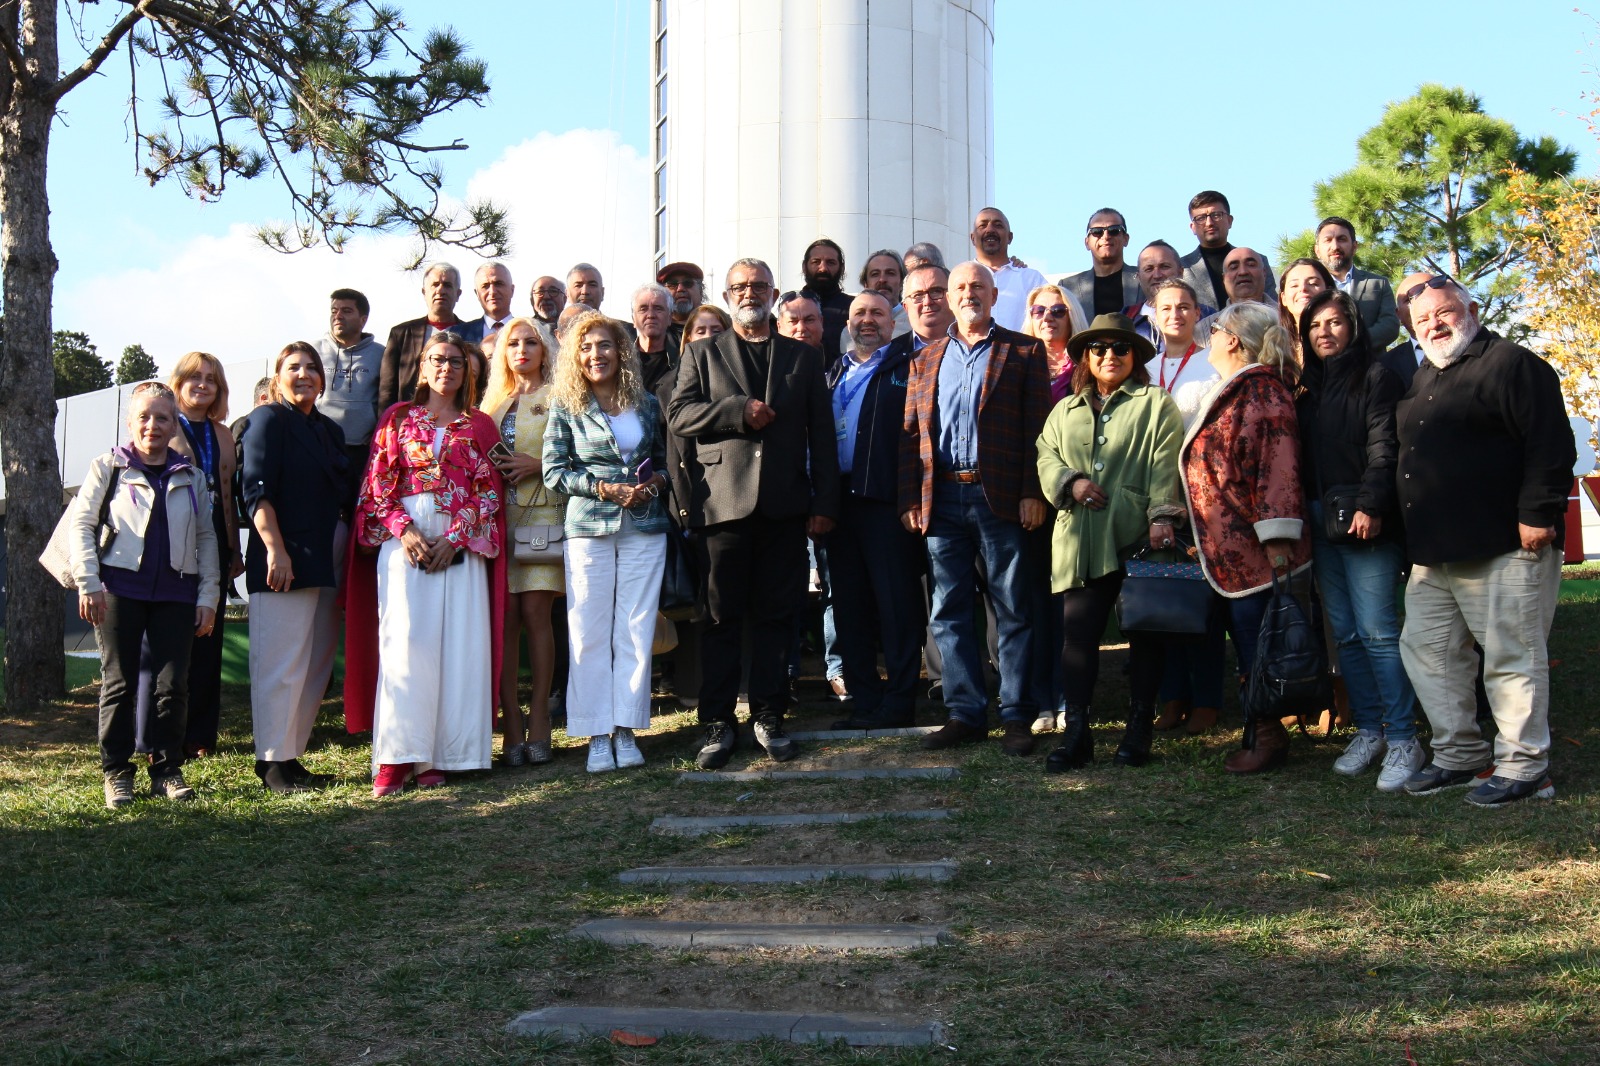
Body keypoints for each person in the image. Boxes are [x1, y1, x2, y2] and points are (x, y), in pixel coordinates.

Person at [1395, 277, 1574, 806]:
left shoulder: (1511, 364)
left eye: (1444, 312)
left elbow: (1550, 442)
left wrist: (1538, 513)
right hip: (1434, 551)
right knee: (1428, 652)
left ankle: (1525, 766)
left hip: (1505, 542)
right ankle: (1460, 755)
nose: (1434, 324)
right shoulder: (1426, 373)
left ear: (1470, 309)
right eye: (1423, 319)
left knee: (1511, 656)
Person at [668, 258, 839, 770]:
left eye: (758, 285)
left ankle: (769, 714)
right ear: (726, 292)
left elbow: (823, 438)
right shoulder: (702, 353)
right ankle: (718, 721)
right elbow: (678, 416)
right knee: (719, 617)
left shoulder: (802, 357)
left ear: (774, 292)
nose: (749, 293)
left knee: (776, 616)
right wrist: (735, 411)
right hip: (722, 505)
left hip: (785, 505)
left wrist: (824, 503)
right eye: (740, 286)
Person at [900, 261, 1051, 755]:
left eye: (977, 287)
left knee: (1012, 607)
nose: (968, 294)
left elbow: (1038, 429)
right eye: (960, 287)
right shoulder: (925, 359)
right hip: (941, 498)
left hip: (1001, 496)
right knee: (948, 610)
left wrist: (1033, 491)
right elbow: (911, 435)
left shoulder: (1024, 351)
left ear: (993, 293)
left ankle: (1016, 715)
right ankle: (964, 712)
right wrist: (910, 499)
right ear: (948, 296)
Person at [356, 331, 504, 797]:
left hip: (461, 541)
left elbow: (489, 492)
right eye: (437, 360)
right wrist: (406, 530)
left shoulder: (479, 426)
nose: (446, 368)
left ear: (468, 371)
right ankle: (397, 757)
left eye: (456, 362)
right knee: (405, 643)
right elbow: (379, 483)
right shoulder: (397, 419)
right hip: (407, 540)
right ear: (422, 368)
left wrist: (456, 537)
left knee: (456, 647)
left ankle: (439, 757)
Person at [1036, 314, 1186, 771]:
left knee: (1145, 633)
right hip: (1080, 536)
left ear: (1134, 357)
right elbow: (1045, 452)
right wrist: (1070, 482)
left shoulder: (1155, 402)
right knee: (1078, 636)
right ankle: (1078, 736)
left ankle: (1138, 733)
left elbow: (1165, 458)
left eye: (1120, 348)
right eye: (1098, 348)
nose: (1109, 356)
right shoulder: (1065, 408)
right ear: (1085, 357)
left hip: (1138, 533)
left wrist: (1162, 514)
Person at [1294, 289, 1419, 791]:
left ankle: (1406, 737)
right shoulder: (1306, 388)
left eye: (1334, 323)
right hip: (1320, 520)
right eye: (1315, 326)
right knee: (1344, 634)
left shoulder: (1376, 375)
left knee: (1379, 632)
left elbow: (1384, 446)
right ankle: (1370, 730)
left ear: (1353, 327)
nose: (1325, 333)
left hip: (1365, 516)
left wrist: (1371, 504)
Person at [73, 381, 219, 808]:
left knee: (172, 685)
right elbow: (82, 525)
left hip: (176, 594)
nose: (153, 425)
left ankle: (166, 769)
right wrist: (89, 583)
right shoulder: (108, 467)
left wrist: (207, 596)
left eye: (162, 418)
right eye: (144, 417)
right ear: (130, 422)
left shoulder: (191, 476)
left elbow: (207, 539)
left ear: (175, 425)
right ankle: (117, 772)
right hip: (117, 590)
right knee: (119, 683)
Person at [1181, 302, 1312, 774]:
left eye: (1214, 331)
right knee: (1250, 641)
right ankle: (1259, 730)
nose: (1208, 339)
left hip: (1257, 552)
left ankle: (1267, 737)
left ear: (1232, 339)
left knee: (1261, 645)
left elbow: (1277, 468)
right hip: (1233, 551)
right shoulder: (1240, 390)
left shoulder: (1260, 392)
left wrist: (1278, 539)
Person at [543, 311, 671, 773]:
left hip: (645, 526)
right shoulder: (566, 405)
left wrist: (652, 484)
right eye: (586, 347)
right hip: (589, 529)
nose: (596, 354)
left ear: (621, 352)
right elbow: (554, 472)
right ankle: (597, 732)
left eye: (604, 345)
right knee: (589, 631)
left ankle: (625, 728)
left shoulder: (647, 402)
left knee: (635, 629)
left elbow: (663, 462)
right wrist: (601, 488)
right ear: (575, 356)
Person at [241, 342, 349, 793]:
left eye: (311, 368)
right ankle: (270, 763)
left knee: (313, 665)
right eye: (293, 367)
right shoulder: (267, 419)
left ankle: (292, 755)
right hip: (283, 558)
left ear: (322, 380)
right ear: (277, 376)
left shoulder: (329, 430)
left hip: (327, 555)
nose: (303, 374)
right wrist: (275, 549)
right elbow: (255, 491)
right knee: (279, 664)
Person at [818, 290, 925, 730]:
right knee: (849, 607)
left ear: (892, 321)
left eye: (877, 313)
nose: (867, 320)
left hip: (886, 501)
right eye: (859, 313)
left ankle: (900, 701)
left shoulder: (907, 366)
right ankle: (863, 701)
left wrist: (910, 498)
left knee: (896, 605)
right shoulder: (833, 373)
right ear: (847, 323)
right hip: (838, 503)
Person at [133, 352, 239, 761]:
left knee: (208, 641)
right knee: (164, 646)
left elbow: (228, 495)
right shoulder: (160, 426)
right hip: (172, 543)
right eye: (194, 377)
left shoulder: (224, 433)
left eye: (211, 379)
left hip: (216, 540)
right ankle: (157, 735)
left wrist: (234, 550)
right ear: (177, 383)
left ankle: (199, 735)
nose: (202, 385)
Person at [481, 318, 564, 767]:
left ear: (545, 348)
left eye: (531, 341)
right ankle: (510, 722)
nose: (522, 349)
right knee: (505, 619)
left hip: (543, 517)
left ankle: (540, 721)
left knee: (536, 613)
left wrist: (540, 464)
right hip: (497, 523)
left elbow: (575, 451)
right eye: (513, 343)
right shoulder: (491, 403)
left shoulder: (559, 398)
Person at [377, 261, 485, 410]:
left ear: (458, 294)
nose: (441, 290)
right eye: (435, 284)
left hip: (457, 418)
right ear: (424, 292)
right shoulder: (402, 334)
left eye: (447, 285)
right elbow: (387, 389)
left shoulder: (472, 334)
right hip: (409, 420)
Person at [316, 287, 386, 505]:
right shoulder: (313, 351)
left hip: (362, 451)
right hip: (321, 445)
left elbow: (388, 398)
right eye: (334, 310)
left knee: (357, 512)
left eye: (346, 311)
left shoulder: (381, 354)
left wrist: (377, 432)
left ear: (363, 319)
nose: (338, 316)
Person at [969, 206, 1073, 332]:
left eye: (998, 225)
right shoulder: (959, 280)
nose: (990, 229)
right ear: (973, 238)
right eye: (983, 225)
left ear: (1010, 237)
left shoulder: (1032, 279)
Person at [1314, 216, 1400, 349]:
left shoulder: (1378, 284)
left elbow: (1390, 326)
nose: (1335, 246)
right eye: (1328, 240)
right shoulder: (1310, 288)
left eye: (1342, 239)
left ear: (1354, 247)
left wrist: (1352, 344)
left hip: (1369, 366)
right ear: (1317, 251)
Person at [1180, 191, 1275, 311]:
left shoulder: (1257, 261)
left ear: (1230, 221)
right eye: (1201, 218)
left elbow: (1272, 305)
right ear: (1192, 227)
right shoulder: (1182, 269)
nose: (1209, 223)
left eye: (1216, 215)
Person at [1149, 280, 1219, 424]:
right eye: (1166, 308)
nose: (1175, 315)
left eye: (1183, 307)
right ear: (1156, 316)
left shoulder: (1216, 362)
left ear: (1197, 313)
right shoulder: (1146, 369)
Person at [1061, 209, 1143, 318]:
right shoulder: (1068, 287)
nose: (1106, 236)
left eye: (1114, 230)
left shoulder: (1145, 279)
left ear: (1126, 239)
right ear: (1087, 243)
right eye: (1097, 231)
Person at [1022, 283, 1078, 406]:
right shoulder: (1017, 363)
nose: (1047, 318)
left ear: (1072, 317)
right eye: (1039, 311)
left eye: (1058, 311)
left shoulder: (1086, 365)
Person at [799, 237, 853, 363]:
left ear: (842, 268)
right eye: (816, 262)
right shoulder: (790, 306)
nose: (823, 268)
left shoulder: (855, 308)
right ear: (804, 266)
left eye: (831, 262)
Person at [1380, 270, 1436, 391]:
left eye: (1426, 292)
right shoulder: (1384, 366)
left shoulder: (1476, 351)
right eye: (1408, 299)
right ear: (1398, 314)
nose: (1420, 302)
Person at [1276, 258, 1337, 364]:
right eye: (1294, 285)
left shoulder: (1342, 341)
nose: (1303, 289)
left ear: (1329, 291)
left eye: (1313, 283)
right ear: (1283, 298)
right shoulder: (1273, 347)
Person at [471, 262, 517, 349]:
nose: (492, 292)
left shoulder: (529, 331)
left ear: (512, 290)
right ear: (477, 294)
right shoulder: (460, 333)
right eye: (485, 286)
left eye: (498, 284)